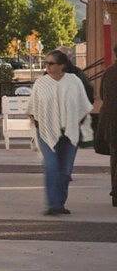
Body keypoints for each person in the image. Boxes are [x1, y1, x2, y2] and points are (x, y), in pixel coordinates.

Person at [27, 49, 93, 215]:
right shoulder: (41, 83)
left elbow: (84, 104)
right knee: (51, 166)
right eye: (46, 63)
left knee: (65, 170)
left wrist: (77, 119)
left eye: (51, 63)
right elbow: (33, 107)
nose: (47, 66)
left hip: (70, 131)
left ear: (62, 65)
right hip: (46, 132)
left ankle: (60, 203)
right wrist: (38, 122)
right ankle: (53, 205)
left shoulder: (74, 81)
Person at [99, 60, 117, 207]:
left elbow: (102, 96)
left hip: (112, 122)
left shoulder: (108, 73)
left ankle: (115, 192)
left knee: (115, 159)